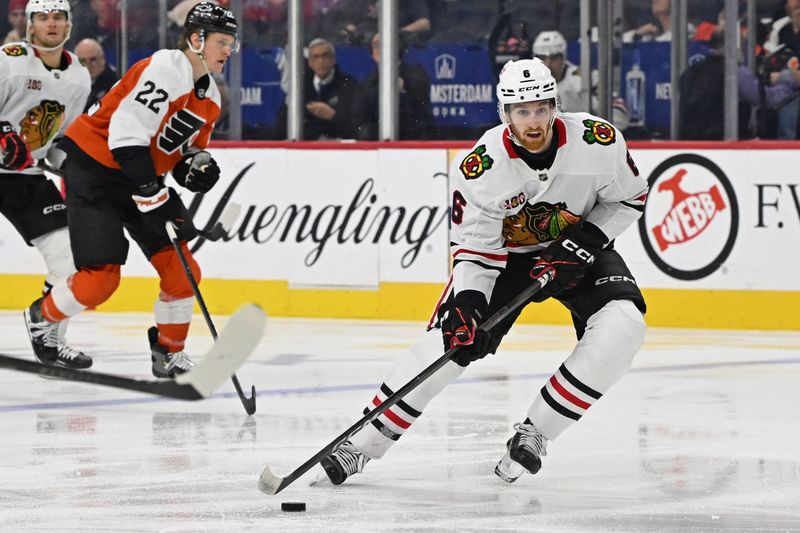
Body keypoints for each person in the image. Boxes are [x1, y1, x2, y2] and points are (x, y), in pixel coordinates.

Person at [317, 57, 648, 486]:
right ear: (504, 114)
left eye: (542, 108)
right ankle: (363, 442)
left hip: (577, 244)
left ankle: (536, 433)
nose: (534, 121)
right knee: (452, 342)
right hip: (505, 259)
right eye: (522, 111)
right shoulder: (483, 167)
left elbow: (629, 199)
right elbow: (476, 248)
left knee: (624, 326)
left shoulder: (597, 141)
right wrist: (469, 303)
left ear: (556, 106)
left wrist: (585, 242)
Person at [23, 1, 236, 378]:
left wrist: (196, 169)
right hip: (93, 169)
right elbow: (126, 138)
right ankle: (43, 316)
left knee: (183, 270)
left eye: (231, 42)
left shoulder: (211, 99)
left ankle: (168, 352)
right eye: (222, 41)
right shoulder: (165, 70)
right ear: (196, 39)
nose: (228, 50)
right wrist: (152, 193)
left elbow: (184, 152)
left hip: (137, 175)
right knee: (100, 279)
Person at [0, 0, 91, 368]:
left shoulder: (79, 77)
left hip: (25, 177)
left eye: (58, 17)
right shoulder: (8, 60)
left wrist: (80, 168)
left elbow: (60, 144)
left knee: (70, 261)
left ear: (69, 25)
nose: (50, 24)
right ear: (30, 24)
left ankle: (49, 337)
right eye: (42, 17)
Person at [533, 30, 629, 130]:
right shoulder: (526, 83)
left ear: (563, 57)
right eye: (542, 58)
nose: (547, 64)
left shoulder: (587, 79)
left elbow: (620, 115)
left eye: (553, 58)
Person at [270, 37, 361, 140]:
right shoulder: (300, 86)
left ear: (333, 59)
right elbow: (281, 124)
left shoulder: (349, 85)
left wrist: (332, 116)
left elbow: (356, 128)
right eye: (316, 57)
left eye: (325, 56)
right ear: (310, 62)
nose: (321, 61)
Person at [354, 32, 434, 140]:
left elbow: (421, 115)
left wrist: (402, 93)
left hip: (412, 143)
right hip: (378, 145)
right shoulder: (367, 83)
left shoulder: (416, 75)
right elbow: (361, 121)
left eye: (385, 44)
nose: (381, 49)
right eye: (376, 45)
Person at [74, 37, 119, 112]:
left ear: (102, 59)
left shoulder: (115, 83)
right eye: (83, 61)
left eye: (93, 60)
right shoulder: (68, 82)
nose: (88, 65)